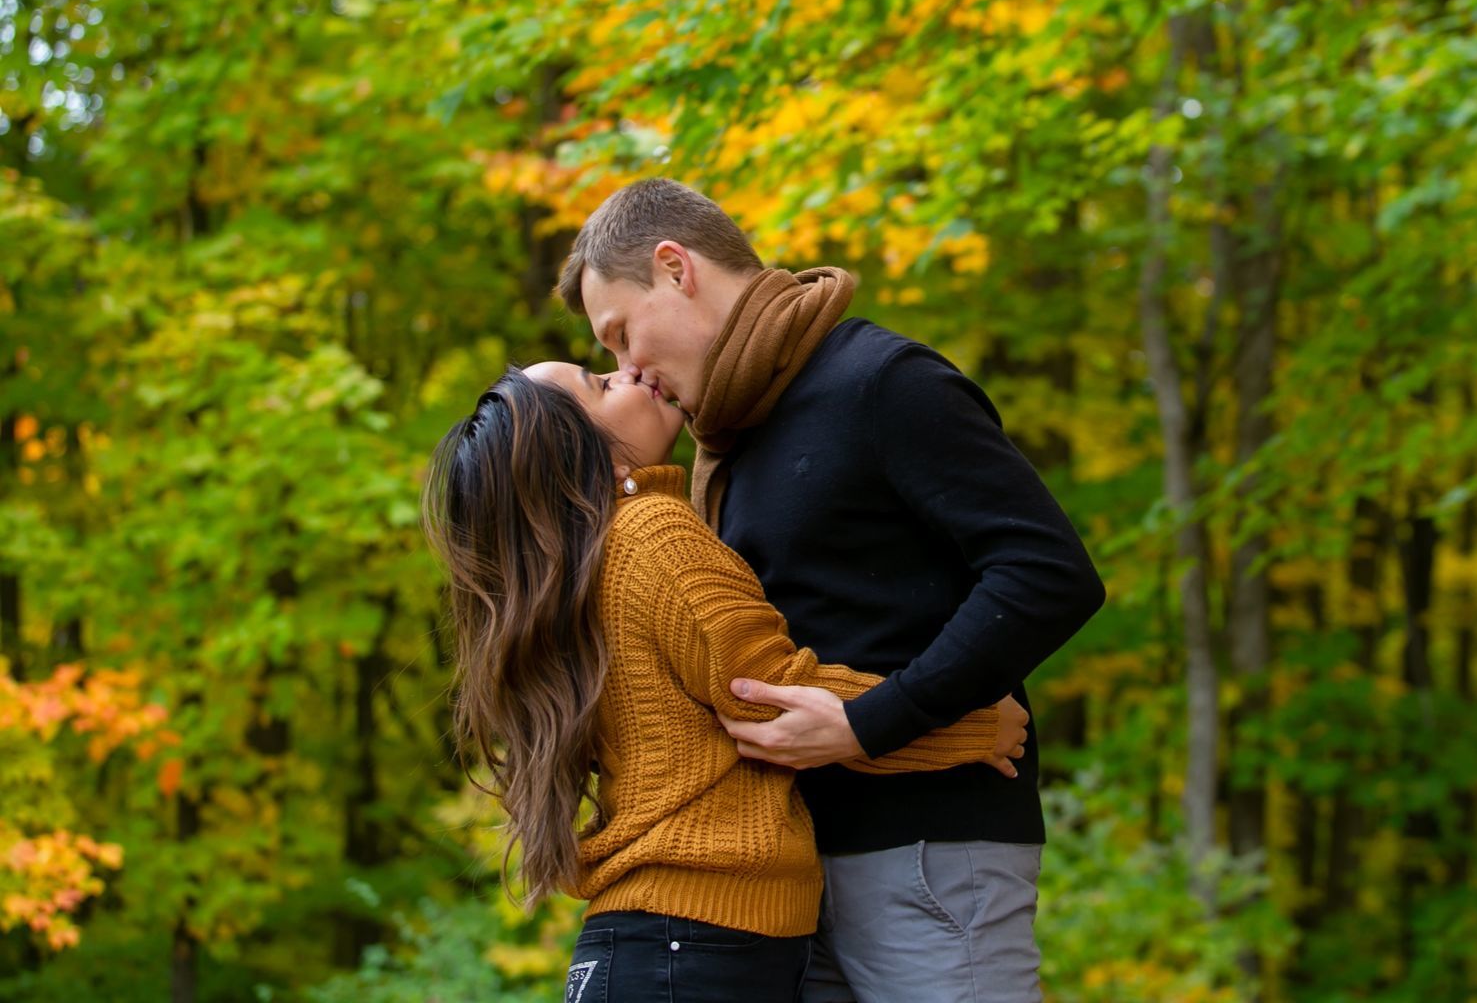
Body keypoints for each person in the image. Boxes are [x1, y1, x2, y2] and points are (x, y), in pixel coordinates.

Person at [555, 178, 1107, 1002]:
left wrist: (870, 723)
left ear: (676, 269)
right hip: (796, 883)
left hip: (928, 853)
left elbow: (1050, 573)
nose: (627, 367)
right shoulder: (733, 443)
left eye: (621, 333)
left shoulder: (880, 381)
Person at [422, 364, 1031, 1001]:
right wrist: (966, 725)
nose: (625, 369)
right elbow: (772, 700)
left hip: (642, 946)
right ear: (582, 460)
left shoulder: (579, 574)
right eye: (601, 384)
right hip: (693, 943)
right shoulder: (652, 537)